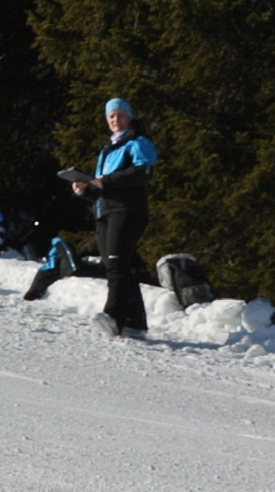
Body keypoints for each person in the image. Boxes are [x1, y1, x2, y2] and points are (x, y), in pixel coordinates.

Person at [68, 97, 157, 335]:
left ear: (130, 117)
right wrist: (86, 190)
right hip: (105, 211)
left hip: (127, 210)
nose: (116, 120)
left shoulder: (138, 142)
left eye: (120, 115)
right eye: (111, 116)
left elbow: (143, 171)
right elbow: (102, 188)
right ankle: (135, 322)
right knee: (116, 266)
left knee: (117, 264)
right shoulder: (107, 150)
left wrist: (104, 181)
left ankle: (113, 316)